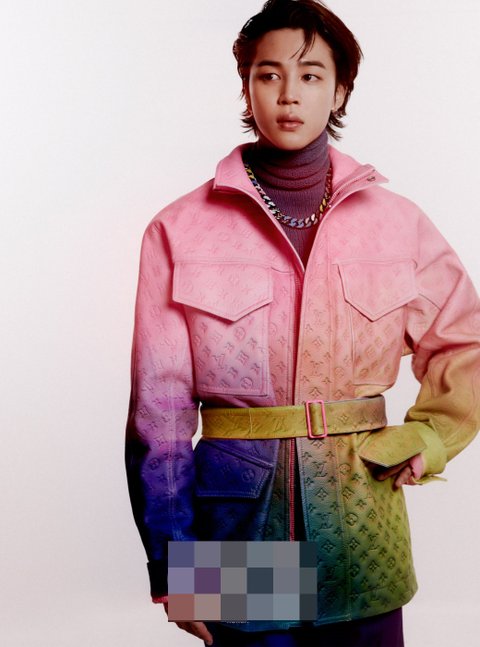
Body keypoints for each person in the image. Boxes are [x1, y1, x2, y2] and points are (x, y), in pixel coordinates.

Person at [125, 1, 480, 645]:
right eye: (269, 74)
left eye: (311, 75)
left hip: (362, 525)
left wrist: (432, 436)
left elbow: (466, 342)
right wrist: (174, 564)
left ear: (340, 90)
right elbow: (159, 415)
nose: (289, 94)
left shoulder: (397, 224)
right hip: (241, 533)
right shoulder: (180, 229)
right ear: (246, 86)